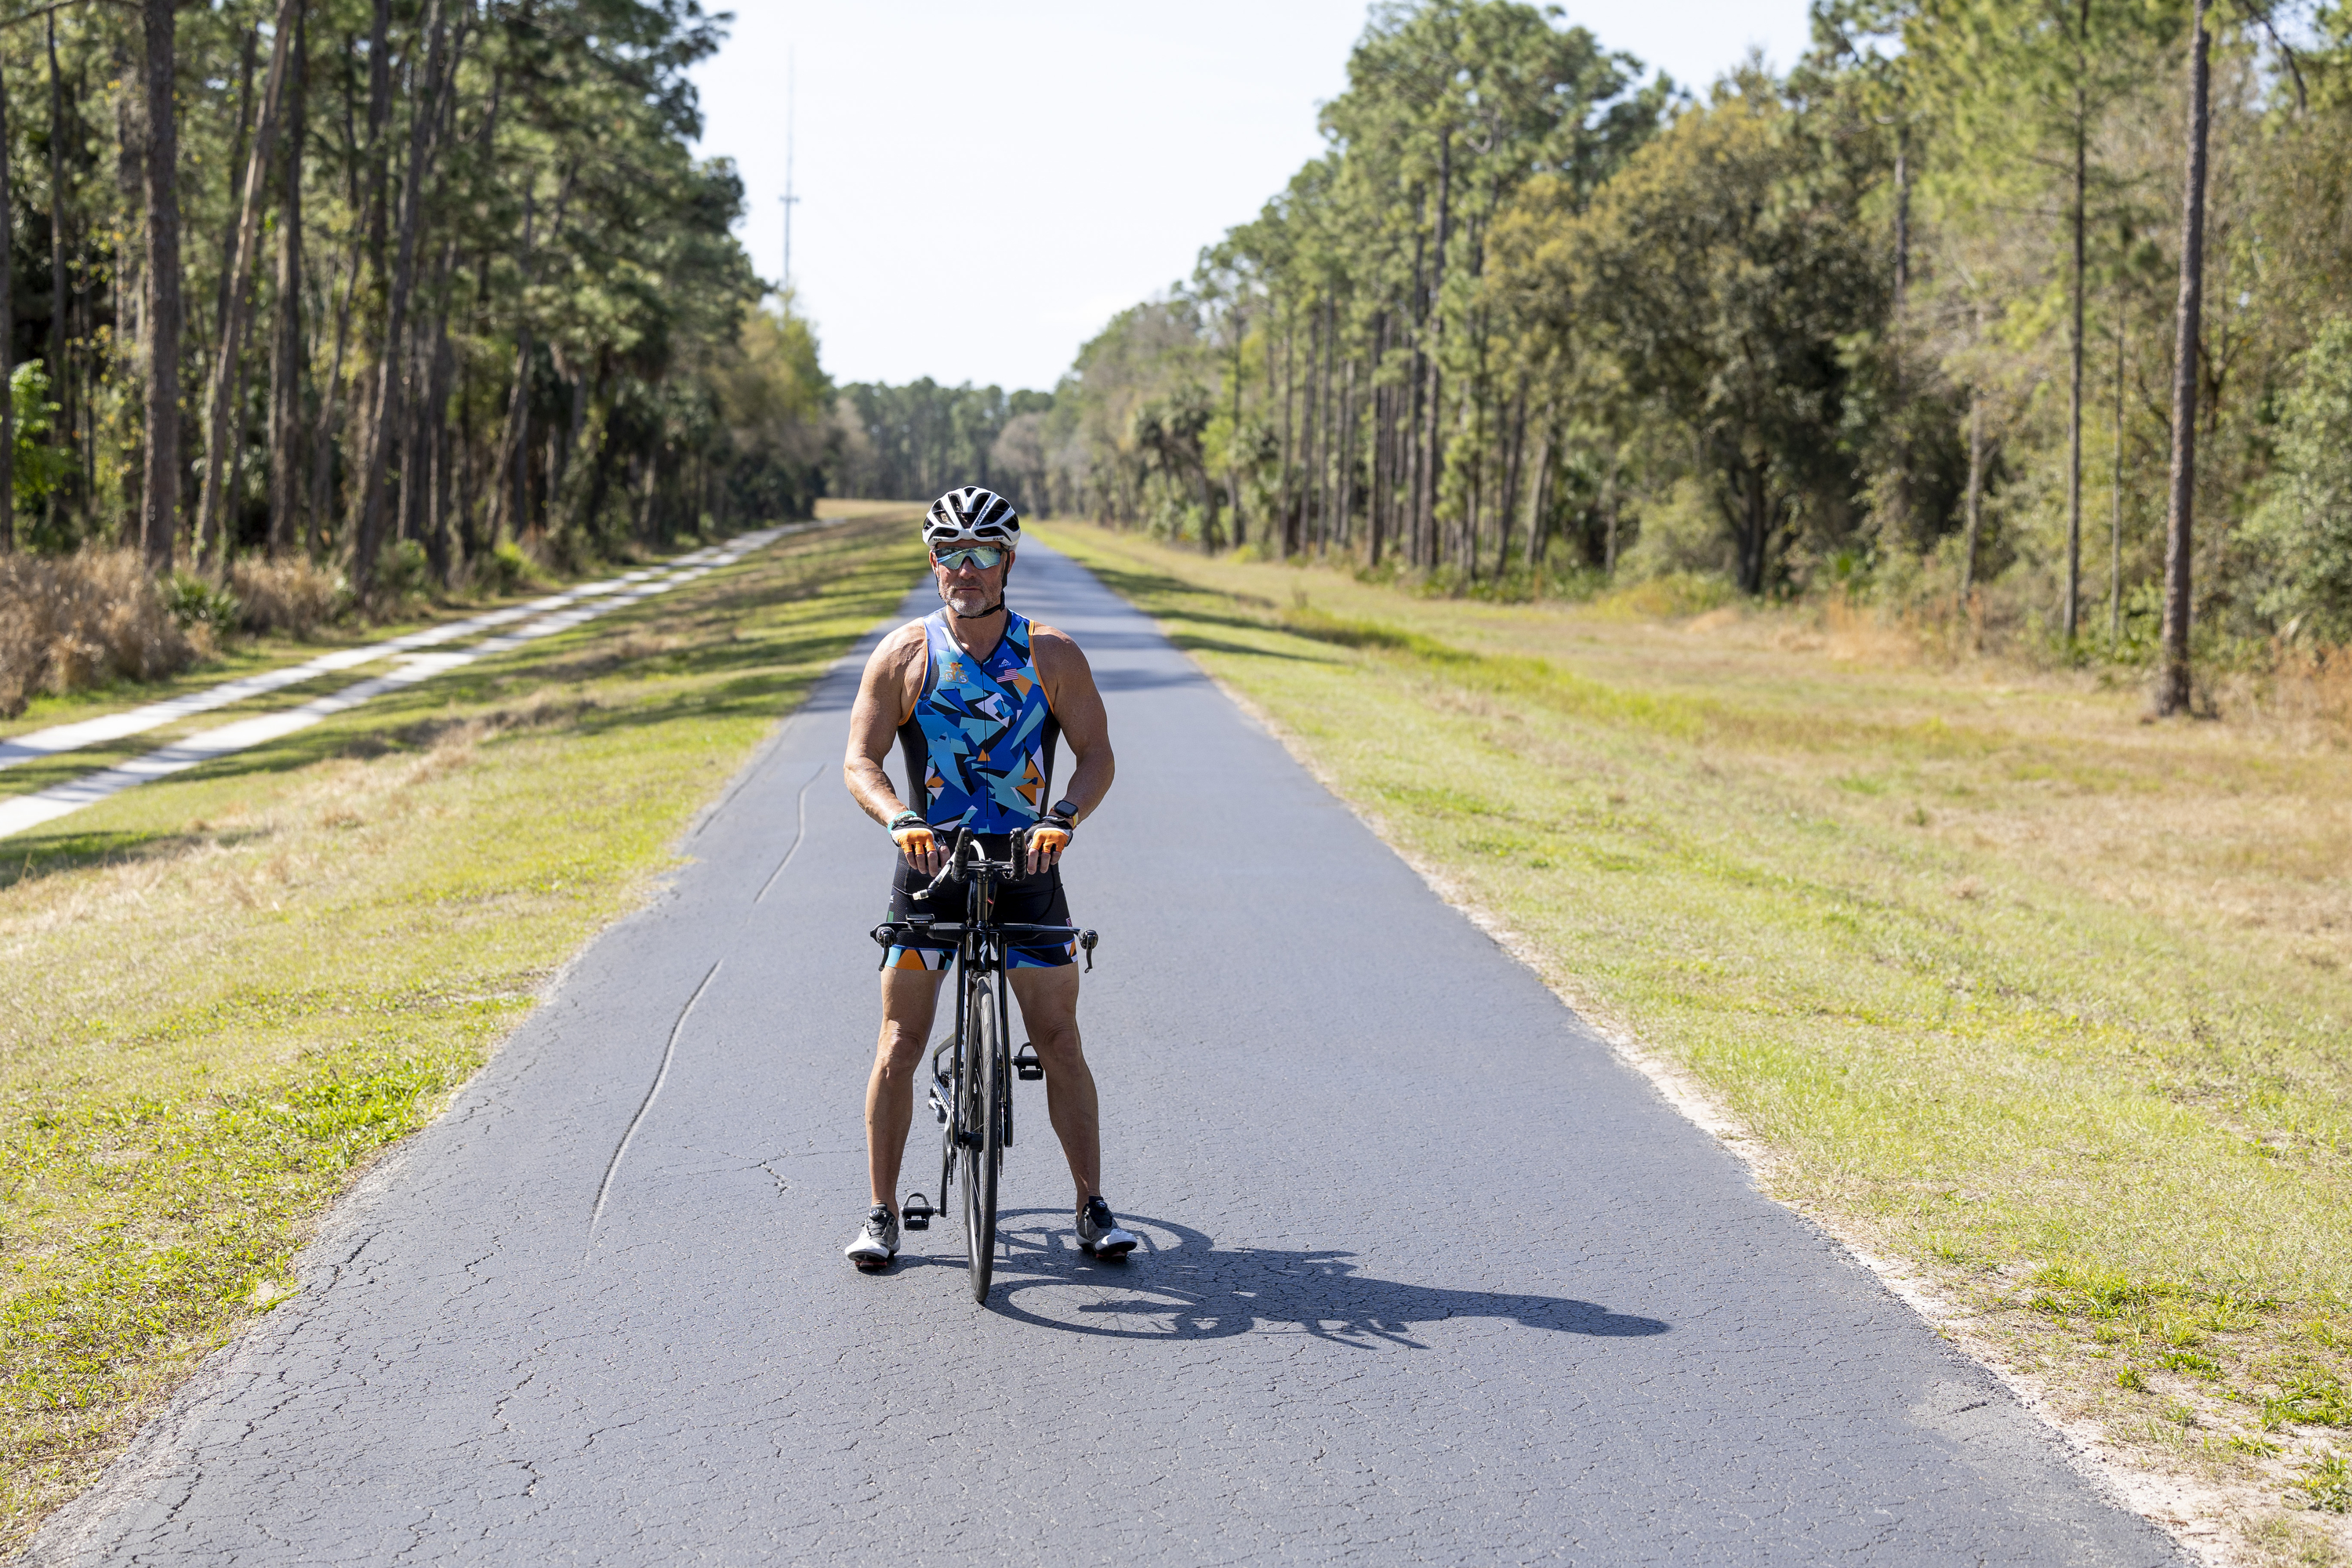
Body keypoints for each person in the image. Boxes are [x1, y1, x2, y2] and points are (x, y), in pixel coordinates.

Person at [839, 485, 1138, 1272]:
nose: (964, 568)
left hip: (1028, 864)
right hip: (926, 869)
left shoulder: (1051, 653)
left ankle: (1091, 1205)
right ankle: (880, 1212)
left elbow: (1097, 755)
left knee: (1061, 1040)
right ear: (933, 561)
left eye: (982, 552)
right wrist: (901, 819)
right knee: (900, 1041)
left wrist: (1063, 815)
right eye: (950, 552)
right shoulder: (905, 653)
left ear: (1008, 560)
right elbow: (860, 761)